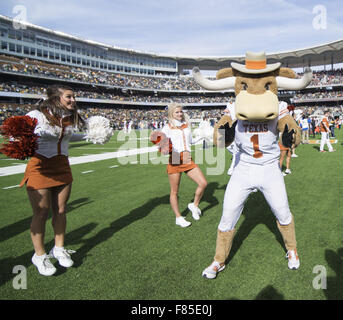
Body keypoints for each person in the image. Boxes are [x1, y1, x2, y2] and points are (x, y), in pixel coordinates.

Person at [20, 84, 86, 276]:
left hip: (62, 166)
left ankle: (58, 248)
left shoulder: (66, 117)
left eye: (74, 97)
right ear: (56, 98)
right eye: (69, 97)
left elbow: (68, 138)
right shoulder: (36, 115)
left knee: (61, 210)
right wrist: (33, 135)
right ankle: (39, 255)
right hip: (40, 166)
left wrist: (91, 136)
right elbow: (20, 135)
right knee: (41, 213)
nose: (73, 100)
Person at [160, 103, 208, 228]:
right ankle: (178, 217)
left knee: (203, 183)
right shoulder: (167, 128)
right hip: (175, 158)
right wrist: (163, 147)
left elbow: (191, 141)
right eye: (177, 112)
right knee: (174, 191)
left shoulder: (186, 126)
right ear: (171, 114)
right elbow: (161, 143)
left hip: (187, 158)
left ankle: (194, 205)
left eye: (181, 112)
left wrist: (203, 136)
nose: (180, 114)